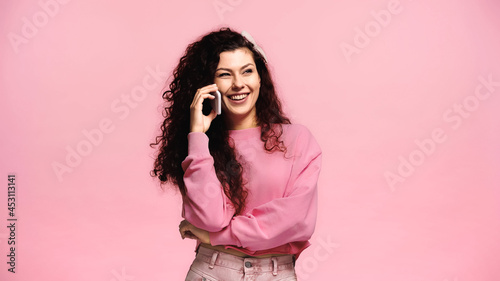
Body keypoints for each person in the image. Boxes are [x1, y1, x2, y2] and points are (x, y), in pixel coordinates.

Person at [151, 27, 322, 280]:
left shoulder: (297, 140)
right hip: (212, 271)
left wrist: (218, 237)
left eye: (247, 71)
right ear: (209, 84)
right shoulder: (201, 147)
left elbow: (296, 221)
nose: (239, 84)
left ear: (260, 76)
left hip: (276, 273)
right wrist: (197, 135)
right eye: (225, 74)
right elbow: (210, 218)